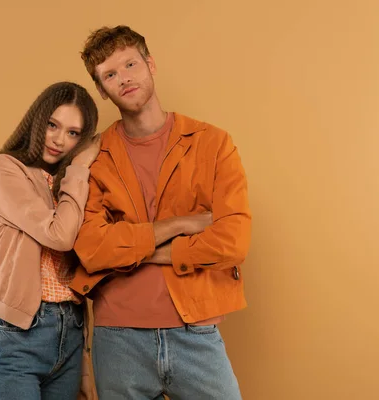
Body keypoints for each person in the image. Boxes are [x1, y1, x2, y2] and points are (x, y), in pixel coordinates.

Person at [69, 26, 252, 399]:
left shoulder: (213, 143)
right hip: (118, 338)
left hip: (195, 330)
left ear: (150, 64)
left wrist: (135, 253)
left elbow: (233, 241)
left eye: (130, 64)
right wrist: (182, 224)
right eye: (110, 75)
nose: (124, 78)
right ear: (102, 90)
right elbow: (90, 248)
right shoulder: (95, 157)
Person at [0, 81, 100, 400]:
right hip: (17, 337)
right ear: (37, 119)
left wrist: (83, 362)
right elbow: (59, 236)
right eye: (53, 125)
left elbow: (74, 275)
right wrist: (81, 165)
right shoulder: (3, 169)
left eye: (73, 133)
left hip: (69, 335)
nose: (58, 140)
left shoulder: (67, 185)